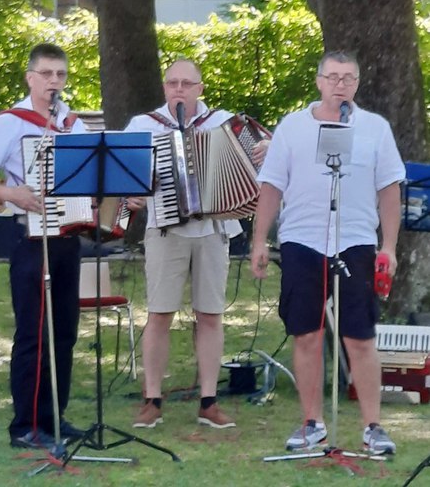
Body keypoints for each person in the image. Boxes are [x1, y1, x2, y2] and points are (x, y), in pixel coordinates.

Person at [251, 51, 405, 455]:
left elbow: (389, 189)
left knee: (360, 336)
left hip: (355, 239)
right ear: (319, 81)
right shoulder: (292, 127)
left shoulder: (375, 128)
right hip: (302, 239)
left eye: (348, 78)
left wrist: (389, 246)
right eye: (333, 77)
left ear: (357, 84)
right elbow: (271, 186)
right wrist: (259, 241)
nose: (340, 85)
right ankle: (311, 423)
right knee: (307, 333)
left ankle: (373, 427)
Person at [124, 59, 268, 429]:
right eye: (172, 83)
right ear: (164, 87)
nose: (179, 89)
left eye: (187, 83)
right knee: (159, 314)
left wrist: (266, 148)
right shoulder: (143, 125)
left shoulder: (222, 122)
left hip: (214, 229)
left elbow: (260, 157)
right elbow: (124, 178)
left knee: (210, 314)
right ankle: (152, 399)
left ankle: (209, 401)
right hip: (165, 230)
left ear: (200, 89)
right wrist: (131, 195)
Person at [0, 43, 86, 449]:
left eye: (60, 74)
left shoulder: (73, 124)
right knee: (33, 333)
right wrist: (13, 194)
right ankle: (24, 425)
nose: (54, 82)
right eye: (46, 74)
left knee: (64, 332)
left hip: (68, 236)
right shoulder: (10, 123)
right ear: (30, 78)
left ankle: (54, 417)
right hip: (29, 237)